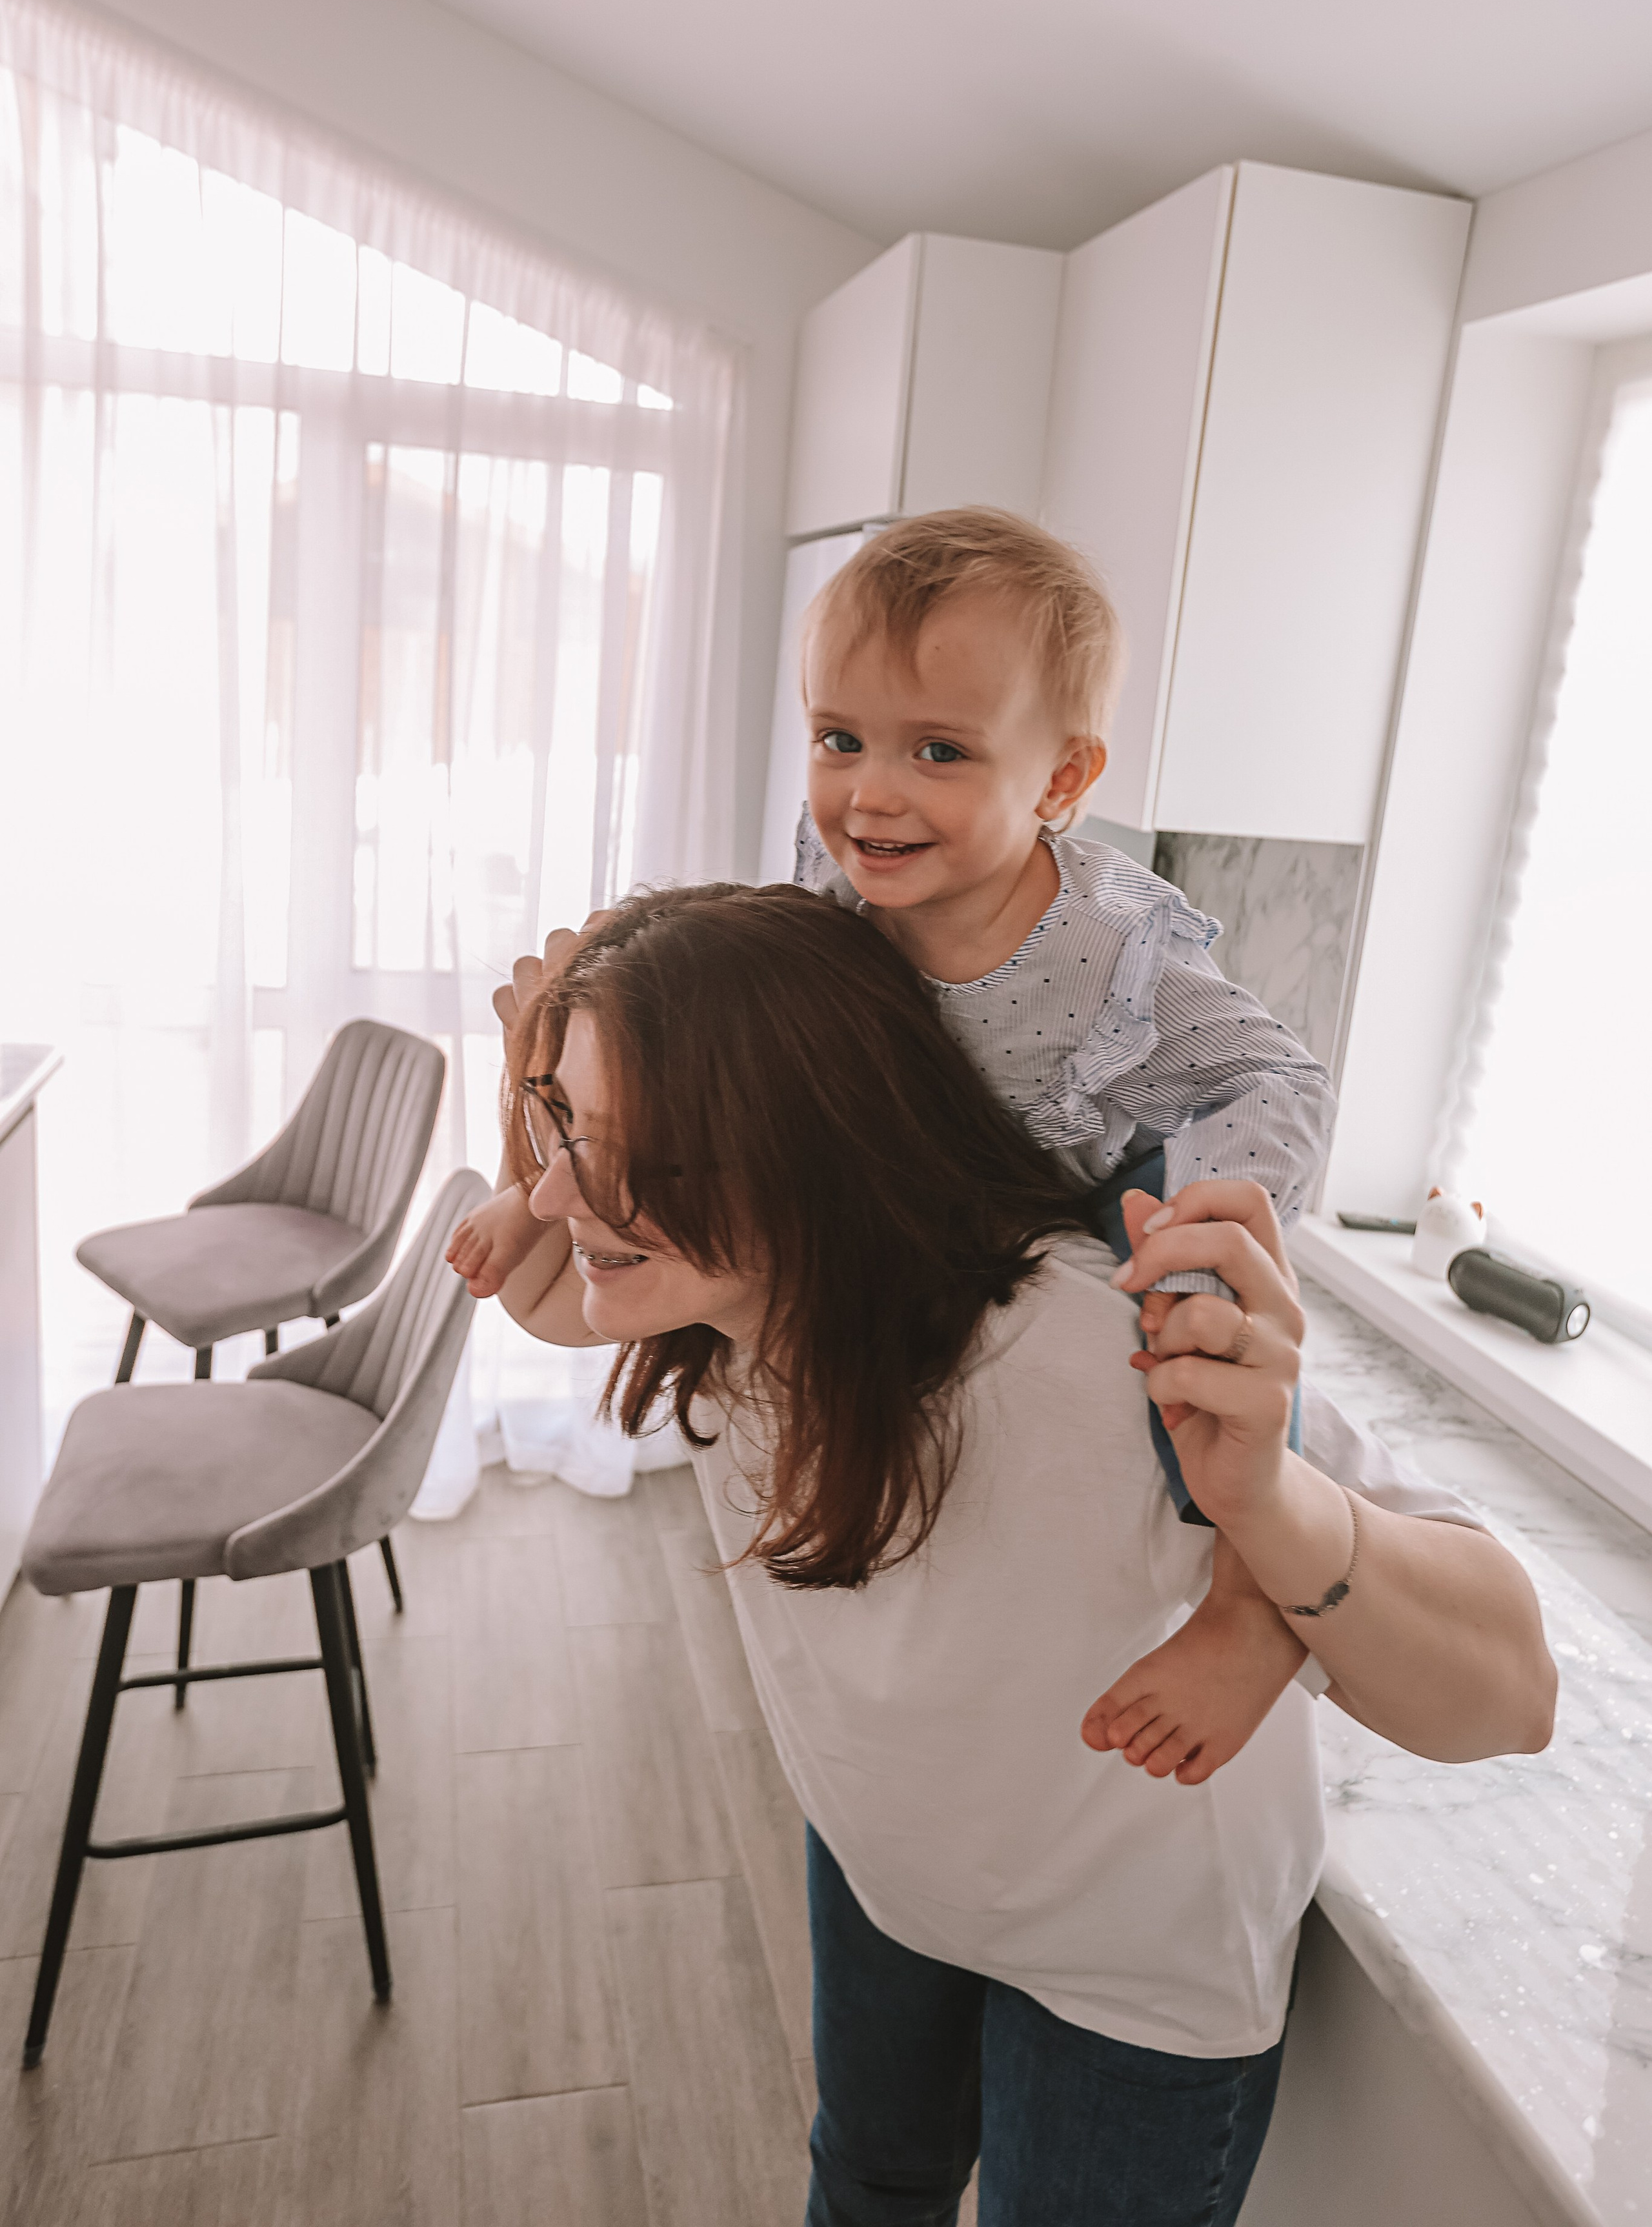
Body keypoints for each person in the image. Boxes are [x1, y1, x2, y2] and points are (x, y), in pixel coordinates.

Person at [472, 883, 1555, 2227]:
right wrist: (537, 1097)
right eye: (566, 1126)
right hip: (887, 1874)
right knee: (866, 2188)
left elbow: (1512, 1693)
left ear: (817, 1148)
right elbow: (533, 1276)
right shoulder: (712, 1302)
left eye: (640, 1151)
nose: (568, 1191)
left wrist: (1270, 1510)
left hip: (1127, 1969)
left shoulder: (1080, 1340)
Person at [451, 507, 1338, 1785]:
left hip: (1113, 1175)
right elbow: (665, 1070)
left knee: (1196, 1367)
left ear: (1059, 783)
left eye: (937, 750)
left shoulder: (1116, 950)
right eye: (838, 738)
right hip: (960, 1185)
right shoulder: (831, 900)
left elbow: (1272, 1076)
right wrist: (530, 1191)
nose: (869, 791)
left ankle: (1249, 1615)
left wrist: (1206, 1225)